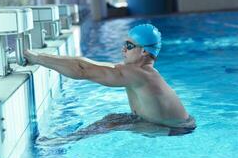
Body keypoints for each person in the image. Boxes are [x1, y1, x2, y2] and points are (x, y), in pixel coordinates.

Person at [24, 24, 196, 143]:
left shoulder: (138, 74)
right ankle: (67, 140)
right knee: (112, 118)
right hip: (178, 125)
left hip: (174, 129)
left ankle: (62, 142)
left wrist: (36, 57)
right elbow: (94, 66)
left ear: (144, 51)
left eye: (129, 45)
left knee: (112, 123)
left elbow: (83, 69)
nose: (123, 49)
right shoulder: (143, 73)